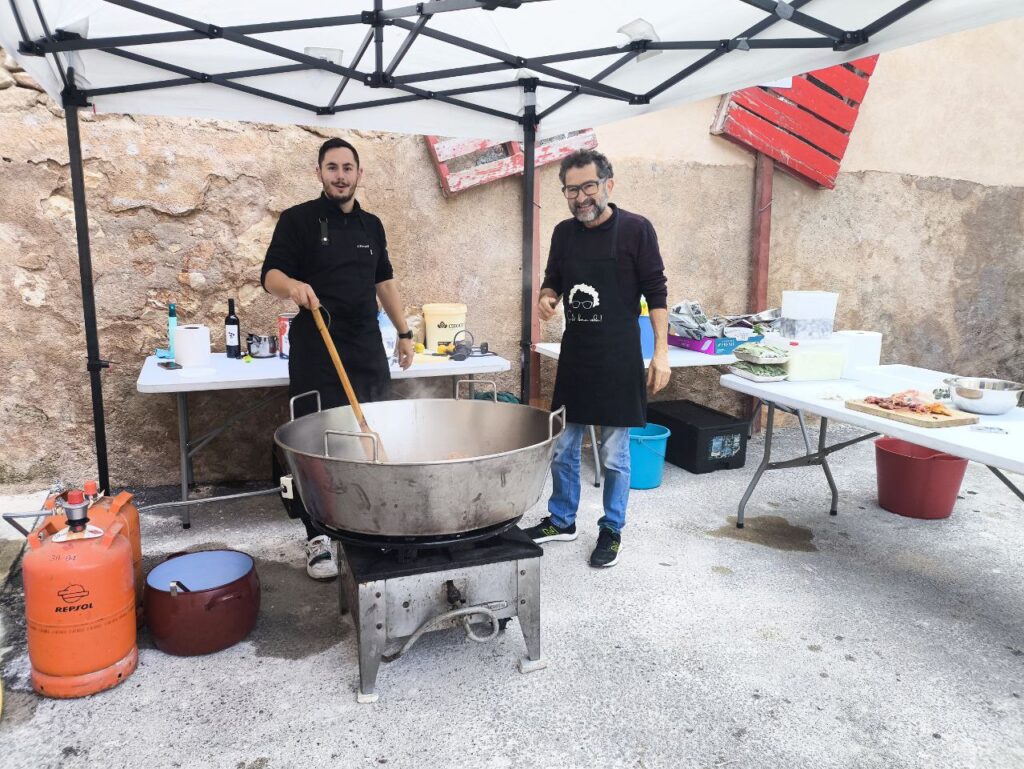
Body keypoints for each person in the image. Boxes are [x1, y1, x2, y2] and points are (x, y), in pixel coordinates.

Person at [262, 137, 414, 580]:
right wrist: (292, 286)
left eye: (348, 168)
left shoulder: (372, 226)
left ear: (359, 174)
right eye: (332, 168)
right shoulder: (297, 220)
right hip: (317, 347)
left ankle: (367, 523)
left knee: (370, 432)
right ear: (319, 173)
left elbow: (384, 282)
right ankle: (317, 537)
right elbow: (269, 274)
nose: (341, 176)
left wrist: (404, 332)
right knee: (316, 440)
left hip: (366, 346)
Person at [523, 149, 671, 567]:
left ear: (608, 184)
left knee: (614, 456)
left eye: (588, 186)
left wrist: (661, 352)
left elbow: (656, 292)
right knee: (562, 448)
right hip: (577, 356)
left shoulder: (637, 230)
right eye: (571, 190)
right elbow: (552, 281)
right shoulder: (563, 233)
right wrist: (546, 298)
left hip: (620, 358)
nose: (580, 197)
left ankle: (612, 528)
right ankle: (562, 519)